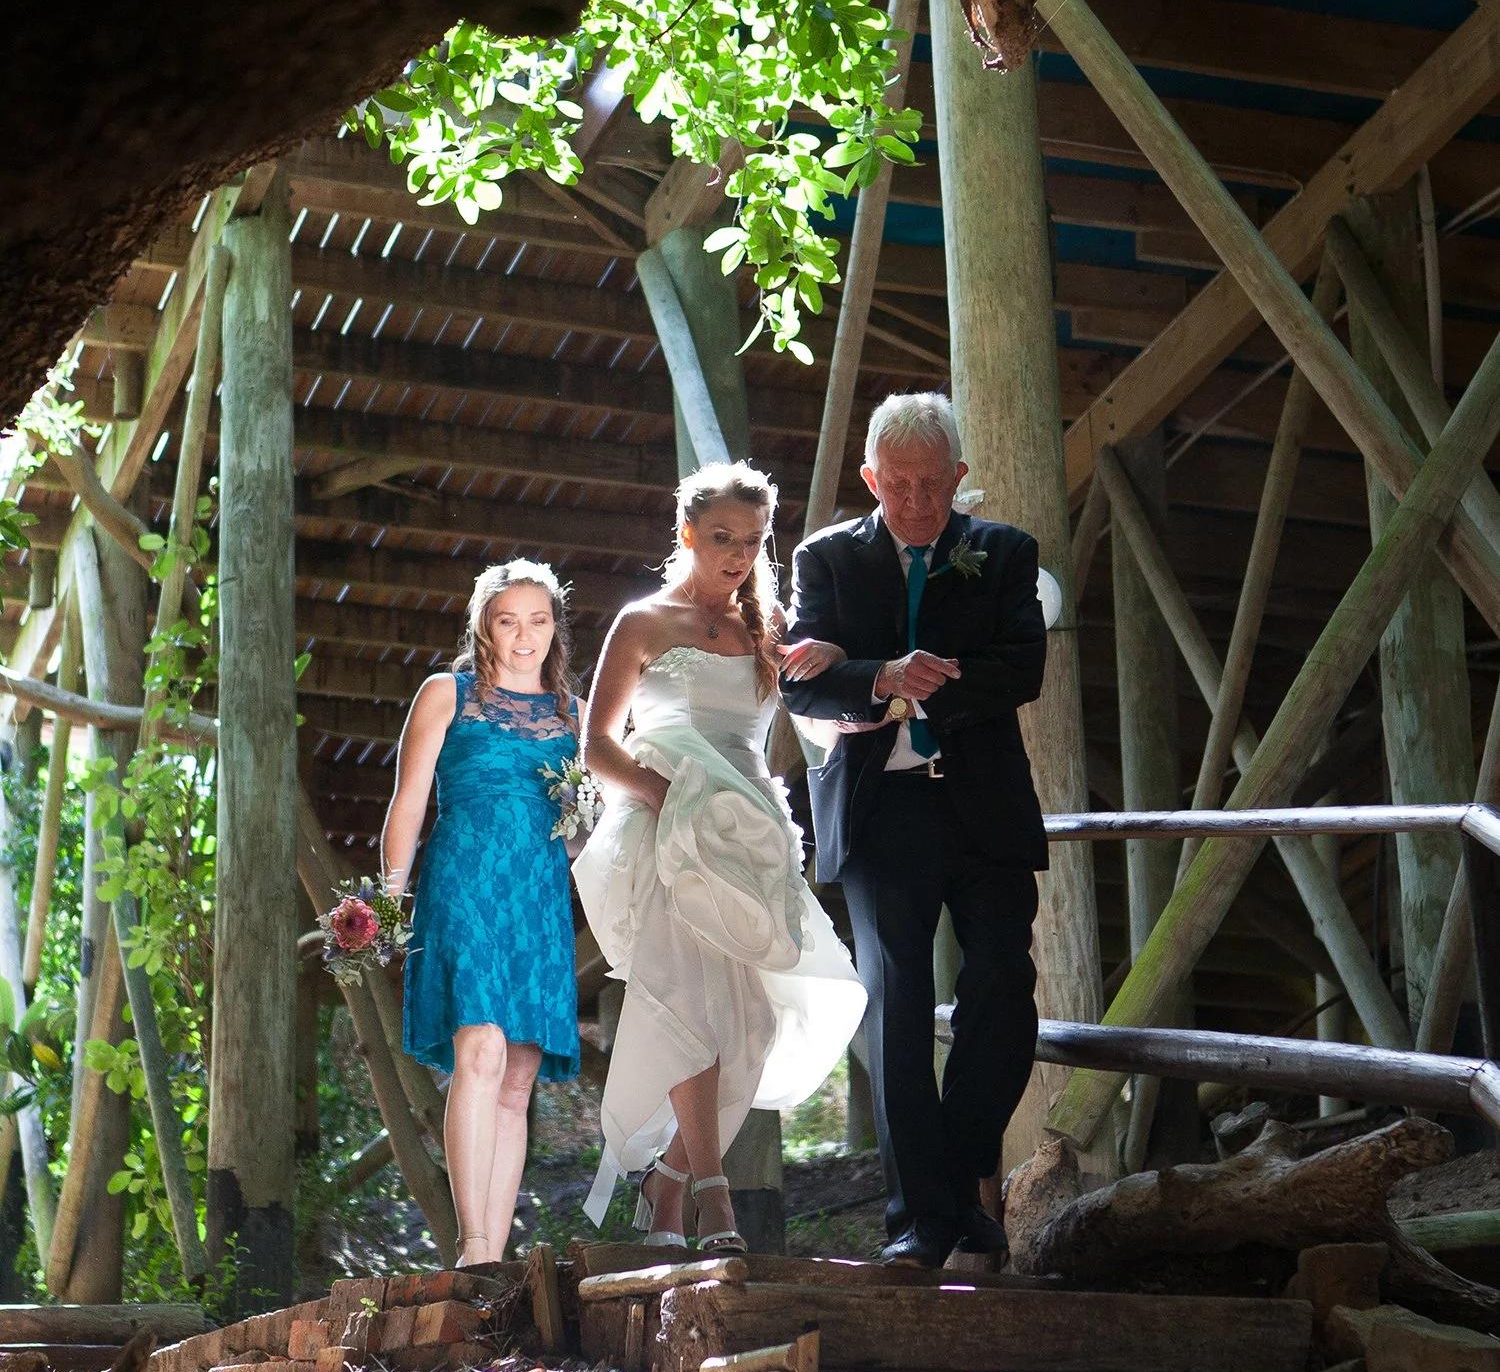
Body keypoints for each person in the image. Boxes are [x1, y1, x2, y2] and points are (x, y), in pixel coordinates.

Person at [779, 393, 1048, 1268]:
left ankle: (961, 1163)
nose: (918, 501)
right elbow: (802, 685)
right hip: (881, 809)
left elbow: (1021, 669)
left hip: (982, 805)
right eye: (899, 485)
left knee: (1005, 985)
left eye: (934, 485)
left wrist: (901, 684)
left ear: (960, 478)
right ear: (870, 479)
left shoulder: (1003, 553)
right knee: (894, 1004)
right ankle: (920, 1222)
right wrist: (886, 678)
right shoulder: (825, 558)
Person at [575, 461, 866, 1254]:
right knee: (688, 1004)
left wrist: (836, 663)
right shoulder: (642, 621)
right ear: (687, 534)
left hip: (748, 832)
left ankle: (666, 1185)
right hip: (670, 826)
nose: (737, 554)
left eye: (752, 540)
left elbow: (816, 719)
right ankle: (715, 1199)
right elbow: (596, 746)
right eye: (720, 539)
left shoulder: (762, 630)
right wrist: (664, 796)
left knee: (755, 1025)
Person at [381, 560, 582, 1268]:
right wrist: (384, 902)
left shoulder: (571, 715)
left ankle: (494, 1261)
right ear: (483, 626)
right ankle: (468, 1249)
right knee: (483, 1050)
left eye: (538, 619)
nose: (523, 635)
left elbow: (582, 830)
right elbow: (407, 805)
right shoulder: (447, 694)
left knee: (520, 1074)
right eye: (507, 620)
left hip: (539, 895)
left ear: (554, 626)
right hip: (464, 880)